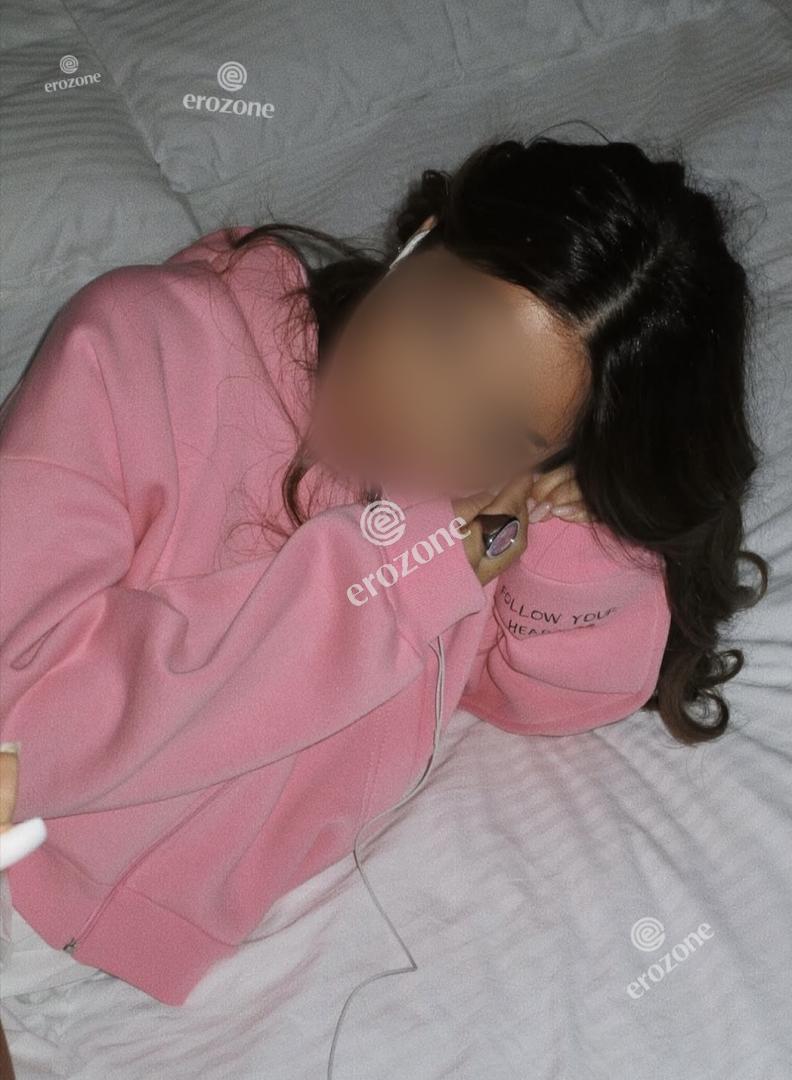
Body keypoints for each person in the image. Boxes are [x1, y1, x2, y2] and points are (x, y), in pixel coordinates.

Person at [0, 134, 768, 1025]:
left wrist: (565, 524)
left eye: (499, 429)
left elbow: (555, 694)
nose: (420, 417)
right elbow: (20, 730)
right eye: (444, 330)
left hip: (95, 963)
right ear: (420, 241)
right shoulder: (144, 340)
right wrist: (393, 583)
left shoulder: (469, 516)